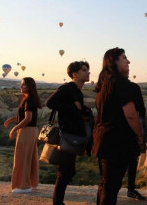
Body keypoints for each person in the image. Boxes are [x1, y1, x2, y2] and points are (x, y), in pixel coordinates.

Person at [92, 47, 143, 205]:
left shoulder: (105, 84)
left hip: (103, 140)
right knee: (111, 187)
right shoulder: (120, 83)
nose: (128, 61)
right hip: (117, 143)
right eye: (124, 58)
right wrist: (140, 136)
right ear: (114, 61)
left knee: (105, 184)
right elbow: (131, 114)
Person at [46, 61, 91, 205]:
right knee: (65, 171)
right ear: (74, 74)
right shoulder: (67, 88)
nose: (88, 72)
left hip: (74, 135)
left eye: (87, 70)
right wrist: (72, 107)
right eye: (84, 70)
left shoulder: (77, 91)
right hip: (67, 135)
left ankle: (58, 201)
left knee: (68, 170)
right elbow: (50, 103)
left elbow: (76, 110)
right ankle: (57, 202)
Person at [4, 77, 41, 193]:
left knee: (22, 157)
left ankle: (22, 186)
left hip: (27, 130)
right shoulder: (29, 99)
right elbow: (26, 117)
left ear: (29, 87)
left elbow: (28, 119)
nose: (21, 87)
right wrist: (12, 119)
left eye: (23, 85)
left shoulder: (29, 100)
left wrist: (14, 129)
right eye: (21, 84)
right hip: (32, 130)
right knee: (30, 157)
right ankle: (31, 183)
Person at [126, 83, 147, 201]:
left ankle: (129, 189)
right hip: (132, 131)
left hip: (115, 133)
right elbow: (140, 110)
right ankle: (130, 188)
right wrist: (140, 134)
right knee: (132, 161)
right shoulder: (133, 87)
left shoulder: (105, 86)